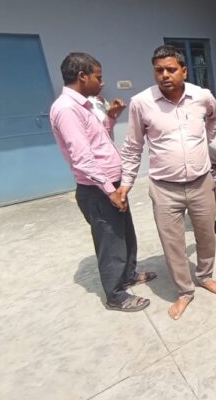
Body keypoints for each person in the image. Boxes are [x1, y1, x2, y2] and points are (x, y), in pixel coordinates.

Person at [119, 45, 216, 321]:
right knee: (173, 243)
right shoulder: (141, 103)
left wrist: (204, 141)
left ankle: (205, 276)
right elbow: (133, 146)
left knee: (206, 235)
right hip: (165, 188)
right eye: (159, 70)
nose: (164, 75)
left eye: (171, 69)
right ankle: (185, 291)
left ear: (184, 71)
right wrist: (126, 182)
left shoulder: (202, 96)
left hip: (201, 183)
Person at [50, 52, 154, 312]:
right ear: (82, 76)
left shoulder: (85, 106)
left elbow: (99, 141)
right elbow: (82, 159)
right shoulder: (67, 109)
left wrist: (111, 117)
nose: (102, 82)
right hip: (98, 190)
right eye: (98, 77)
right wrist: (110, 191)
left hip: (111, 185)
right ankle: (115, 295)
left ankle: (128, 275)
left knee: (125, 235)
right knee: (110, 242)